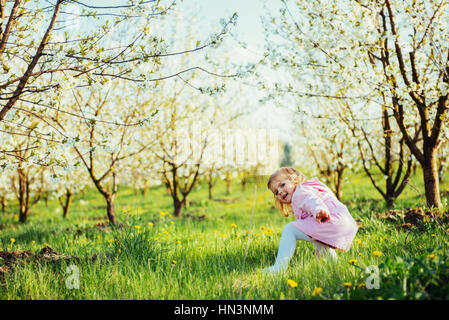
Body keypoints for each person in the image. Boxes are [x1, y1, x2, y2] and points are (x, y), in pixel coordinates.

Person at [263, 167, 358, 273]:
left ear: (294, 179)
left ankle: (278, 269)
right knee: (318, 238)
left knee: (290, 229)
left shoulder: (299, 192)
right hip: (343, 221)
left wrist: (318, 210)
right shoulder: (309, 187)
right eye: (276, 192)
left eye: (282, 185)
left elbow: (311, 200)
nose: (280, 192)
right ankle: (334, 268)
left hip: (330, 218)